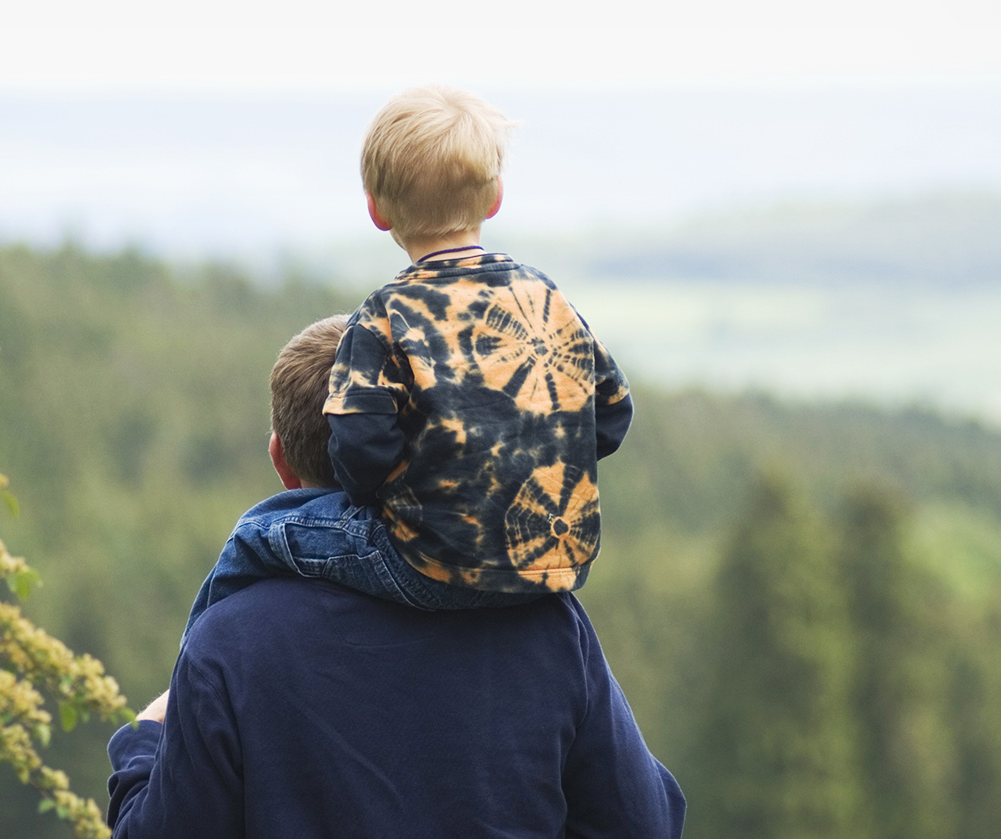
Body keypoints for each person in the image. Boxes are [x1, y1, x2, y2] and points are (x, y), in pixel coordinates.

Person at [107, 316, 684, 838]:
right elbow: (645, 823)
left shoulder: (226, 644)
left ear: (282, 461)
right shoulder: (545, 621)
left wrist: (143, 744)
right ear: (420, 453)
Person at [185, 84, 633, 633]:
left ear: (376, 209)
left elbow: (360, 449)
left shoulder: (383, 317)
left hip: (430, 569)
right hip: (554, 566)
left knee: (260, 533)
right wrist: (536, 455)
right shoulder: (544, 298)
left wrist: (416, 492)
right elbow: (611, 412)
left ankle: (188, 681)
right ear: (494, 197)